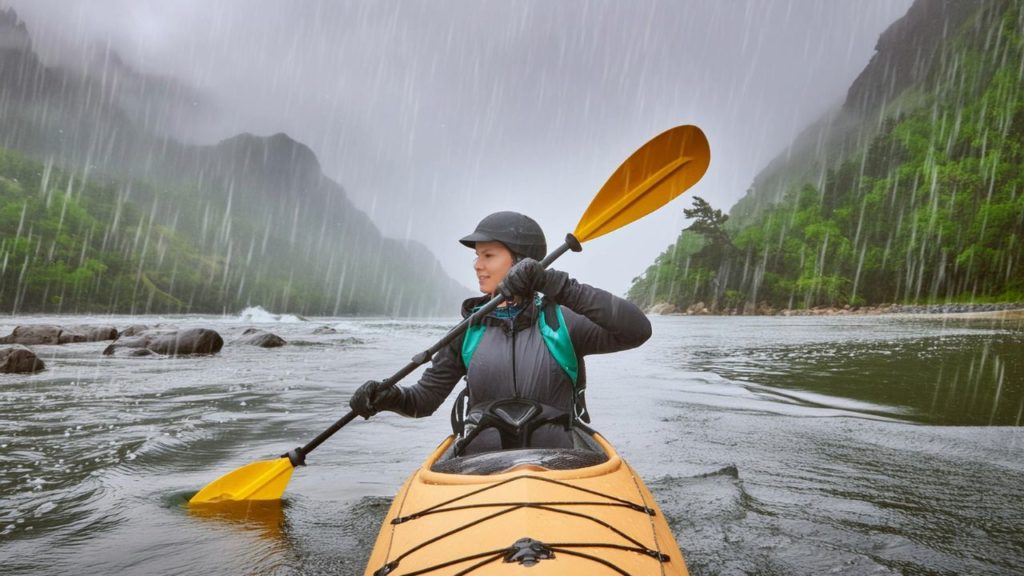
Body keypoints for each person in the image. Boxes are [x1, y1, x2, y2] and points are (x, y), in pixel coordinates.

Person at [349, 211, 651, 454]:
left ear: (521, 261)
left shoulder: (562, 322)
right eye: (477, 256)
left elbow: (636, 330)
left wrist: (556, 284)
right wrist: (388, 398)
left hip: (558, 466)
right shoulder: (467, 332)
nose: (477, 265)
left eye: (488, 256)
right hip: (479, 468)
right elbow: (423, 401)